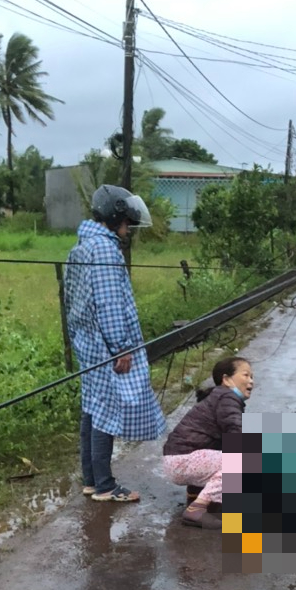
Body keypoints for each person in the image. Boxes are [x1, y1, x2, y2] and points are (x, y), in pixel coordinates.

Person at [63, 184, 165, 503]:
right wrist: (120, 347)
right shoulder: (105, 249)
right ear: (115, 216)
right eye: (126, 222)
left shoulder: (84, 246)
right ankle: (105, 486)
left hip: (88, 342)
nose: (129, 228)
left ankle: (92, 481)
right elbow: (108, 304)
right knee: (105, 411)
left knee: (92, 409)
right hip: (106, 345)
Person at [162, 356, 254, 530]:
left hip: (179, 461)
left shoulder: (220, 397)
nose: (250, 381)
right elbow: (237, 432)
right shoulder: (226, 397)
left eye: (252, 377)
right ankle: (197, 509)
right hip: (182, 461)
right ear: (226, 379)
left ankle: (196, 494)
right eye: (246, 375)